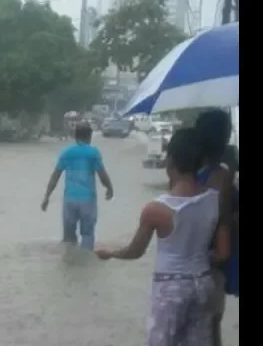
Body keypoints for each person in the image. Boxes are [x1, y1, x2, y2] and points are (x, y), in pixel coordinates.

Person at [95, 128, 230, 346]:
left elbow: (135, 252)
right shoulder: (215, 200)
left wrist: (110, 253)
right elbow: (223, 253)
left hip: (171, 288)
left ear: (171, 162)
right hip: (204, 283)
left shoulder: (156, 209)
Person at [194, 109, 239, 346]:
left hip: (204, 260)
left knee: (206, 326)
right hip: (209, 260)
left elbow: (215, 216)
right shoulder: (215, 175)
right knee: (209, 327)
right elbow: (219, 217)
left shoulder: (207, 175)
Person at [41, 122, 114, 250]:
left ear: (75, 136)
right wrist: (109, 188)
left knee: (68, 239)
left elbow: (55, 176)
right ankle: (85, 263)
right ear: (90, 136)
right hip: (87, 200)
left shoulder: (67, 152)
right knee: (87, 235)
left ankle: (70, 263)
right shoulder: (93, 153)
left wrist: (47, 196)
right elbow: (102, 174)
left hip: (69, 200)